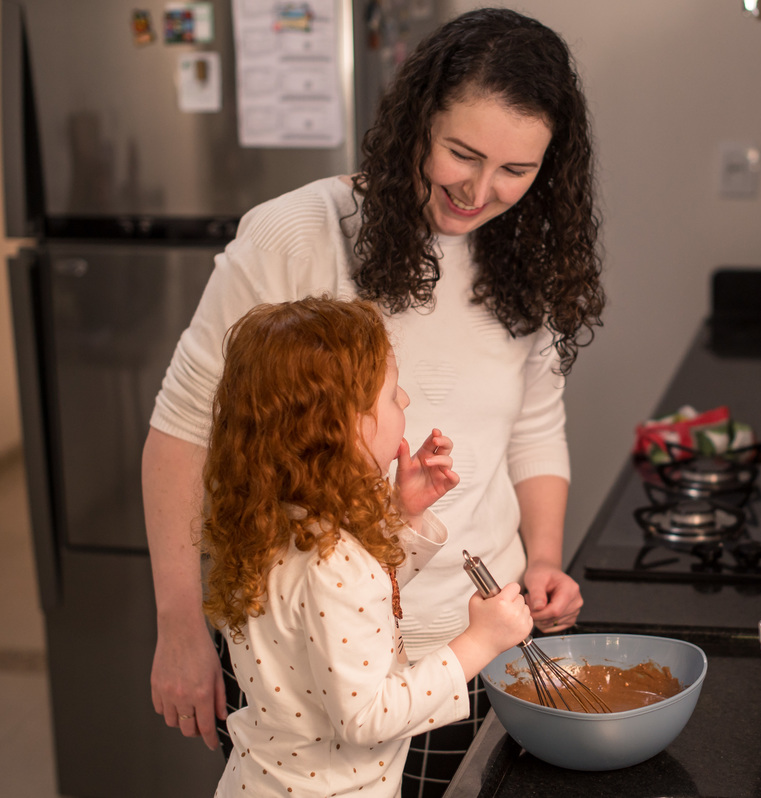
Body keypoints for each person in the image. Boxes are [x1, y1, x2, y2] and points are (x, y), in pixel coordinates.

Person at [142, 8, 604, 796]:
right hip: (311, 660)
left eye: (516, 170)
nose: (479, 191)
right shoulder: (297, 234)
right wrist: (179, 625)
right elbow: (183, 431)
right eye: (462, 154)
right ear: (417, 121)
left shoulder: (528, 256)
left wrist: (545, 560)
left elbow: (533, 425)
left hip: (476, 642)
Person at [202, 297, 533, 797]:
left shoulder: (276, 521)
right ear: (342, 426)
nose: (406, 400)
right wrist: (480, 642)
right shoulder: (335, 559)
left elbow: (343, 611)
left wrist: (405, 514)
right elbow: (369, 716)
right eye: (392, 394)